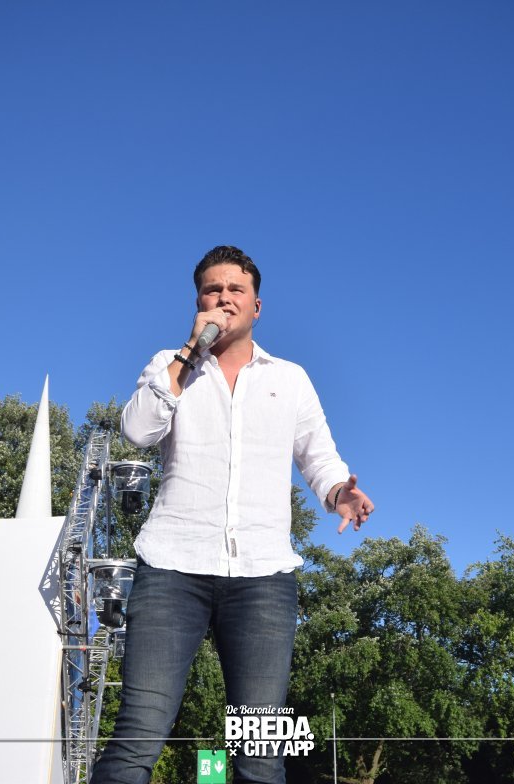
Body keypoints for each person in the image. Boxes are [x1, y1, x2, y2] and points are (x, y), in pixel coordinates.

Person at [91, 246, 374, 784]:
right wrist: (189, 352)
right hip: (172, 567)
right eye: (212, 290)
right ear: (198, 301)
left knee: (260, 753)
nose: (223, 298)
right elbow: (137, 430)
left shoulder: (290, 377)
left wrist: (340, 492)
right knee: (136, 737)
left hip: (263, 576)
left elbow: (319, 456)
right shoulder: (169, 365)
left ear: (256, 306)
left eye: (235, 289)